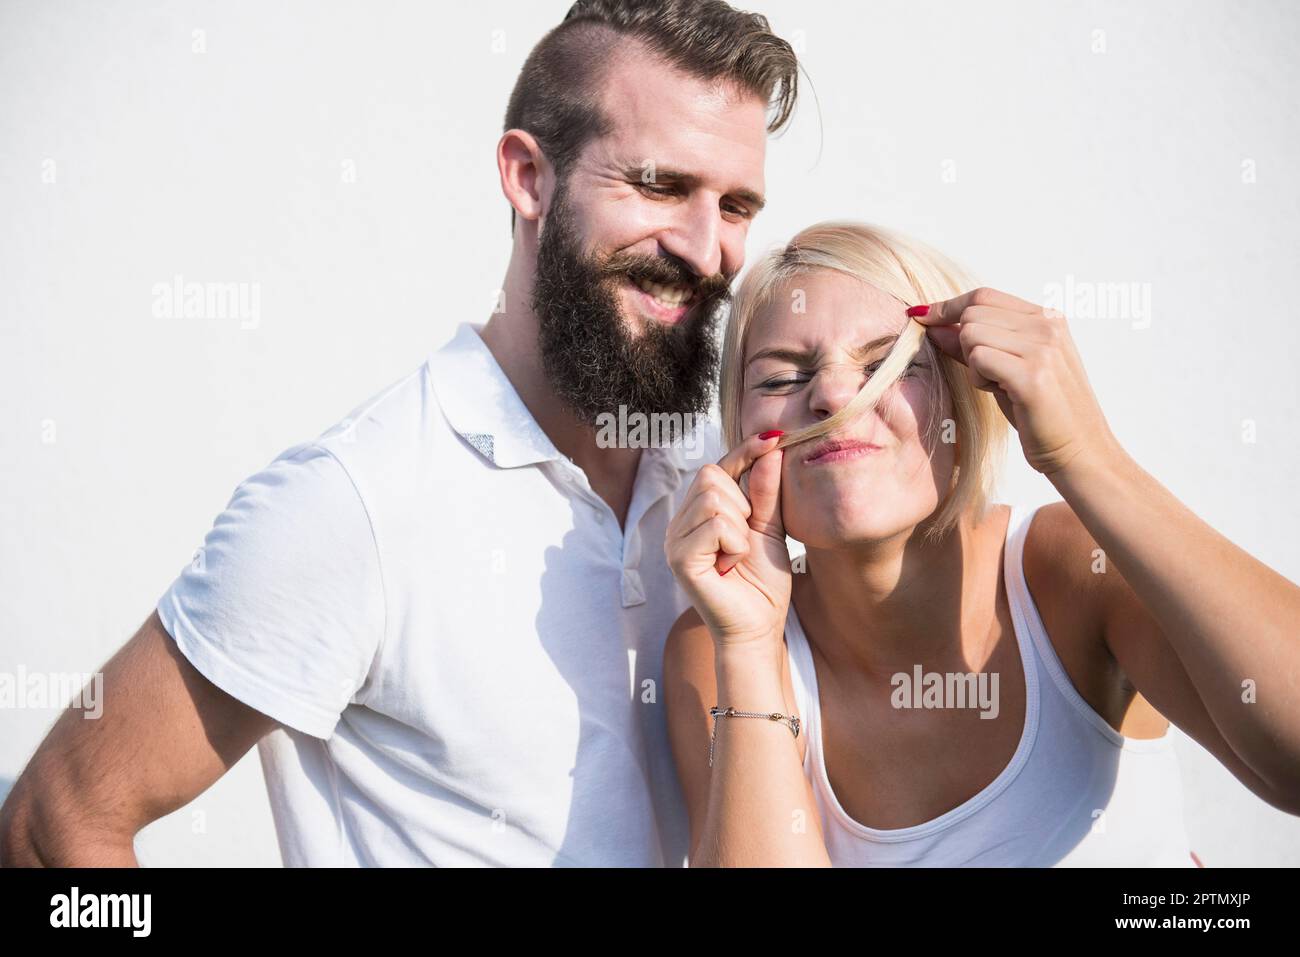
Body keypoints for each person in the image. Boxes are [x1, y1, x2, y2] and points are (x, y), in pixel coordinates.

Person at [0, 0, 799, 867]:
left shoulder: (732, 481)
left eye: (736, 206)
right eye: (659, 185)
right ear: (529, 177)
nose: (706, 246)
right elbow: (57, 820)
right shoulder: (356, 501)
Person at [662, 220, 1300, 866]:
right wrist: (744, 645)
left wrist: (1087, 455)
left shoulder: (1067, 568)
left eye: (885, 363)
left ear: (963, 402)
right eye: (780, 379)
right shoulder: (719, 647)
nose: (831, 394)